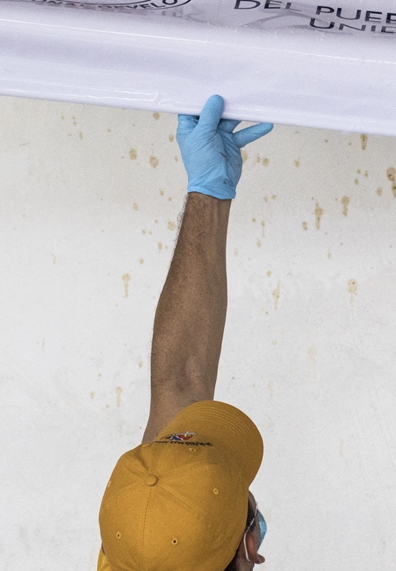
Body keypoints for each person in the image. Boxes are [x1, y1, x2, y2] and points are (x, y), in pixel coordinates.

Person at [97, 95, 274, 571]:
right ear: (247, 548)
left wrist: (208, 192)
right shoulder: (124, 553)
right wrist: (208, 190)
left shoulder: (142, 552)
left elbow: (182, 379)